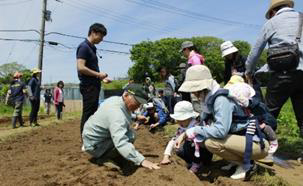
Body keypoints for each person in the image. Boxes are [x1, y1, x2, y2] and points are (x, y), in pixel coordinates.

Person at [176, 65, 269, 180]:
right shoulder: (211, 100)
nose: (193, 93)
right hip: (243, 139)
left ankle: (246, 165)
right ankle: (237, 161)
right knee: (204, 139)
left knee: (210, 142)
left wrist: (193, 130)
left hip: (256, 144)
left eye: (194, 90)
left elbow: (220, 131)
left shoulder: (220, 100)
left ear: (202, 88)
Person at [244, 0, 303, 161]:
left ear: (272, 12)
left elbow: (255, 51)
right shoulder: (301, 18)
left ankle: (262, 150)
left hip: (282, 74)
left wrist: (249, 71)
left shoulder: (272, 23)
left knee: (267, 113)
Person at [82, 84, 160, 170]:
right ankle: (103, 157)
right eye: (137, 102)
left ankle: (113, 154)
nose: (138, 106)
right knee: (130, 136)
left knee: (130, 133)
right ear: (126, 95)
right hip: (95, 145)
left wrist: (136, 117)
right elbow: (121, 142)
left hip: (92, 139)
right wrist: (142, 161)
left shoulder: (115, 100)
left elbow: (121, 112)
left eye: (140, 104)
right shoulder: (116, 114)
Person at [76, 23, 111, 136]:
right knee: (88, 114)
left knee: (92, 114)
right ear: (93, 33)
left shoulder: (92, 48)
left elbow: (90, 69)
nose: (102, 39)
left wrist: (101, 79)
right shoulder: (84, 47)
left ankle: (90, 138)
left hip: (94, 85)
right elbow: (81, 67)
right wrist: (98, 75)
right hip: (88, 87)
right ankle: (85, 140)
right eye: (101, 36)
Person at [160, 101, 208, 174]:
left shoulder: (197, 125)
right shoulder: (181, 128)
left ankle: (197, 164)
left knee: (190, 143)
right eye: (178, 120)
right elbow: (173, 140)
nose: (179, 123)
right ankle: (190, 162)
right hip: (193, 152)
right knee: (178, 149)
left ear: (189, 117)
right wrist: (166, 156)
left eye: (182, 120)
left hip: (204, 152)